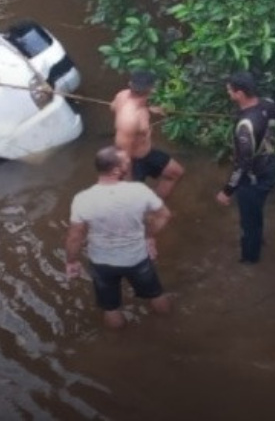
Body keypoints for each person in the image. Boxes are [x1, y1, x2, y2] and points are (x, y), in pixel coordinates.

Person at [65, 146, 173, 329]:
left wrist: (71, 261)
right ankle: (170, 327)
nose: (130, 164)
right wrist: (149, 236)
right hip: (137, 259)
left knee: (111, 308)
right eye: (126, 163)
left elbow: (75, 236)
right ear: (116, 170)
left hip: (102, 263)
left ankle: (118, 345)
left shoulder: (82, 198)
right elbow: (164, 215)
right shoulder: (139, 190)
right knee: (156, 294)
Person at [213, 71, 275, 264]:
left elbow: (243, 163)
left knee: (248, 221)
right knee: (256, 209)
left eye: (229, 91)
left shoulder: (246, 125)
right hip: (270, 166)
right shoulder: (269, 104)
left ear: (240, 94)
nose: (228, 93)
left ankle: (250, 259)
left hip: (253, 177)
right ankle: (258, 239)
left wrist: (227, 191)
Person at [110, 71, 185, 199]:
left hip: (147, 153)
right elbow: (123, 153)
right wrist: (128, 183)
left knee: (175, 172)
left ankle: (153, 205)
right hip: (134, 163)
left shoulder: (122, 95)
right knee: (132, 200)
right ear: (152, 89)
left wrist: (149, 109)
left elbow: (112, 107)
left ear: (130, 84)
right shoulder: (130, 120)